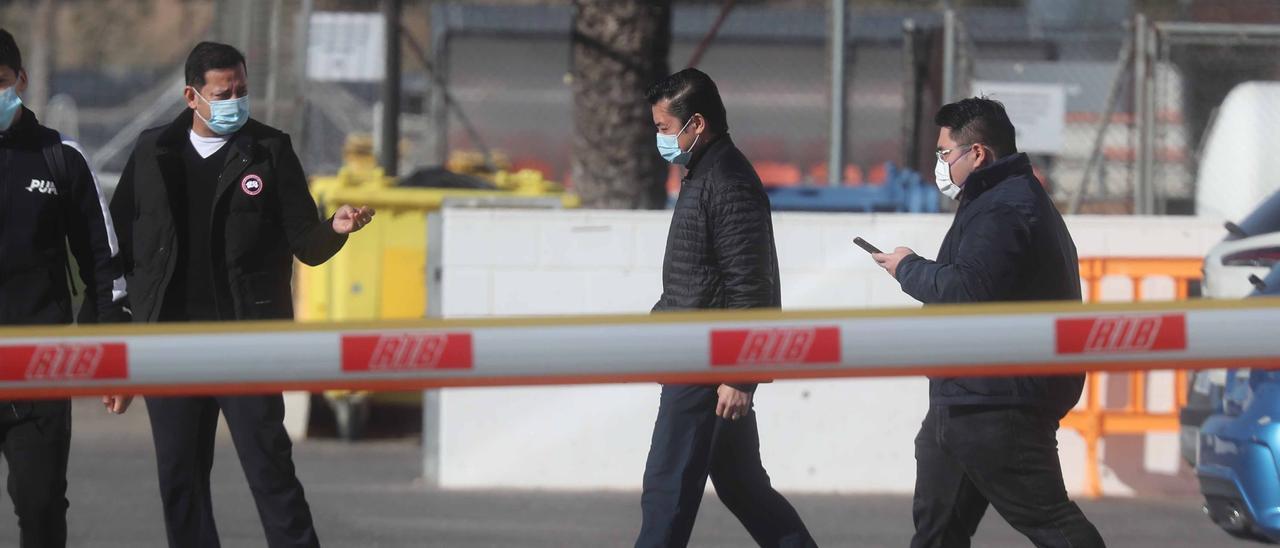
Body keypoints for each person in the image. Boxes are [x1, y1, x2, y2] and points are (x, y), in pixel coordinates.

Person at [108, 41, 374, 548]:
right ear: (192, 96)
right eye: (223, 92)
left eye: (243, 90)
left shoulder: (270, 151)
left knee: (270, 470)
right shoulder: (152, 152)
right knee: (180, 481)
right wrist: (118, 344)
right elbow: (118, 249)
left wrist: (334, 228)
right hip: (168, 345)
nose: (236, 100)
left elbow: (306, 245)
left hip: (245, 342)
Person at [871, 97, 1106, 548]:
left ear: (977, 153)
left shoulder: (1005, 207)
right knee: (938, 530)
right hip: (966, 396)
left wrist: (907, 268)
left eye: (945, 154)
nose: (940, 165)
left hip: (996, 402)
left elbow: (967, 290)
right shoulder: (997, 199)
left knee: (1052, 523)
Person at [637, 68, 817, 548]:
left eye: (663, 128)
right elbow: (694, 278)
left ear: (696, 124)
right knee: (744, 488)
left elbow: (750, 286)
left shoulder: (728, 180)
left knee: (665, 491)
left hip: (707, 365)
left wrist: (741, 375)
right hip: (697, 356)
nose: (660, 138)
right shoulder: (703, 173)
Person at [0, 28, 133, 548]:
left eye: (1, 81)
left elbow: (104, 264)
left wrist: (111, 357)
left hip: (40, 368)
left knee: (41, 508)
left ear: (21, 81)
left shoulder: (62, 158)